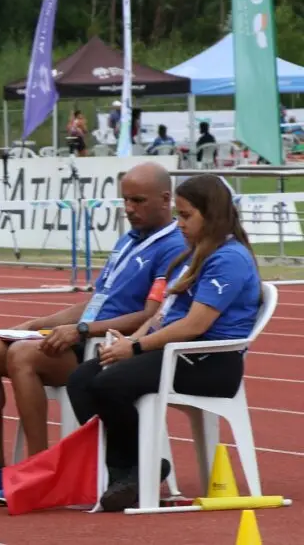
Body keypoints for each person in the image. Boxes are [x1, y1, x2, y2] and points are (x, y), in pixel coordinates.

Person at [0, 162, 185, 502]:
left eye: (138, 201)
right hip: (84, 335)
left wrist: (81, 330)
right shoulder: (129, 241)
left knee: (23, 355)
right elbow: (95, 303)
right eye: (125, 200)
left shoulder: (173, 247)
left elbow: (152, 315)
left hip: (104, 348)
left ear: (165, 199)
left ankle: (38, 469)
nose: (129, 209)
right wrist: (36, 324)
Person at [66, 173, 262, 512]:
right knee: (82, 379)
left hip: (209, 361)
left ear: (211, 215)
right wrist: (127, 342)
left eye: (186, 216)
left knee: (110, 383)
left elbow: (194, 325)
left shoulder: (229, 258)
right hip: (175, 353)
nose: (179, 223)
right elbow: (160, 315)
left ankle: (136, 469)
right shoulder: (193, 254)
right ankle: (129, 469)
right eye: (179, 214)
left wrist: (137, 349)